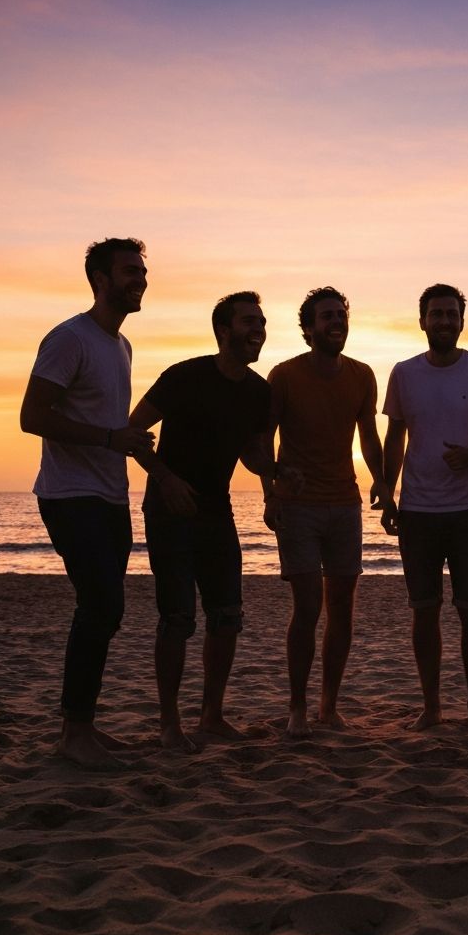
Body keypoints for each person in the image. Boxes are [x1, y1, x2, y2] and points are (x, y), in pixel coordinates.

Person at [129, 292, 286, 753]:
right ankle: (169, 724)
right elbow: (132, 433)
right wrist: (166, 479)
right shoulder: (183, 376)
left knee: (227, 617)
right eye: (248, 322)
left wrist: (278, 474)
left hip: (217, 512)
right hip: (168, 510)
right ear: (223, 330)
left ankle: (212, 716)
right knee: (177, 618)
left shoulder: (259, 391)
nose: (257, 330)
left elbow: (254, 455)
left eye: (261, 322)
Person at [20, 237, 154, 770]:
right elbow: (33, 417)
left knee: (105, 610)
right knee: (100, 607)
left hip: (110, 495)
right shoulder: (68, 338)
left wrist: (132, 451)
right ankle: (74, 733)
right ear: (99, 278)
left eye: (142, 271)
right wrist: (108, 439)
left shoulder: (121, 346)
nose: (139, 280)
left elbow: (113, 427)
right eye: (128, 271)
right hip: (69, 495)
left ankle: (83, 727)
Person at [381, 284, 468, 733]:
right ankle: (432, 706)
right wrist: (386, 489)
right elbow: (395, 436)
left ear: (461, 320)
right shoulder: (403, 374)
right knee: (424, 610)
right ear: (422, 320)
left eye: (451, 314)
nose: (443, 321)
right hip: (418, 510)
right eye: (436, 314)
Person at [262, 287, 392, 736]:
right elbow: (266, 439)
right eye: (325, 316)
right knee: (308, 607)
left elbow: (369, 437)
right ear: (308, 328)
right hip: (298, 507)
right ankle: (297, 708)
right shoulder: (283, 376)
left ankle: (328, 706)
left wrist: (383, 481)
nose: (335, 322)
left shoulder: (362, 375)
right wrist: (271, 493)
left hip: (345, 503)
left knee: (342, 609)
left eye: (340, 314)